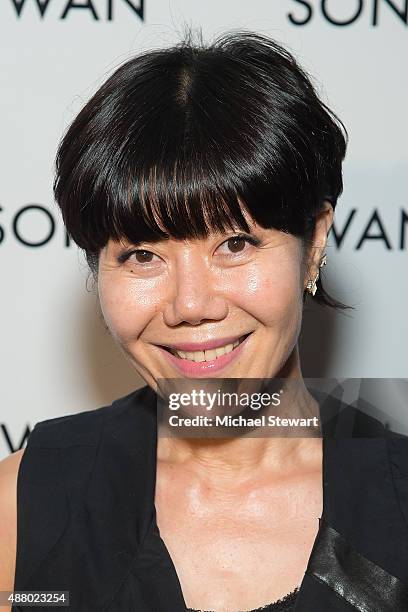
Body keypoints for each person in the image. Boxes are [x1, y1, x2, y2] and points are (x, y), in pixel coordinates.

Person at [1, 29, 408, 612]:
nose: (192, 304)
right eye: (142, 255)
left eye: (236, 244)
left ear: (313, 241)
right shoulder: (23, 507)